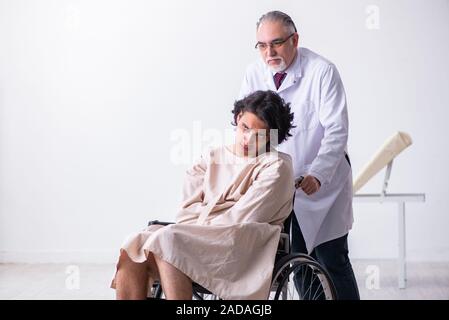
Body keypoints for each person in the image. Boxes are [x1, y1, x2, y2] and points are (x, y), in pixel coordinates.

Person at [111, 90, 295, 300]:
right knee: (135, 244)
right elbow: (185, 211)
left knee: (168, 239)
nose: (248, 140)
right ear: (238, 117)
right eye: (245, 128)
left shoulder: (276, 166)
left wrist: (198, 222)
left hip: (242, 245)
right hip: (197, 236)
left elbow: (243, 218)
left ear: (272, 137)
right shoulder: (212, 157)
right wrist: (195, 228)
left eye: (259, 135)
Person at [238, 11, 360, 299]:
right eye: (262, 45)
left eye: (277, 43)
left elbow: (336, 131)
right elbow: (245, 127)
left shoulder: (322, 71)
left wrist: (318, 174)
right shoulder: (254, 73)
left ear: (295, 39)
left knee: (331, 259)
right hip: (276, 181)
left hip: (321, 182)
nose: (269, 52)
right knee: (294, 263)